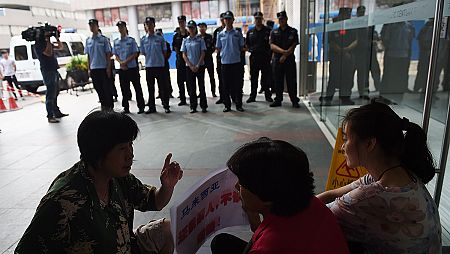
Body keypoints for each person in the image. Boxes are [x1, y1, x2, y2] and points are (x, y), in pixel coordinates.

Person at [15, 110, 183, 253]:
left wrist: (167, 187)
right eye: (122, 148)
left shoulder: (119, 177)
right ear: (97, 152)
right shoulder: (61, 201)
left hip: (127, 246)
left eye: (130, 145)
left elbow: (154, 201)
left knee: (169, 230)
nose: (130, 155)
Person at [317, 100, 442, 253]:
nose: (343, 146)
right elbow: (332, 194)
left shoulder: (370, 198)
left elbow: (315, 217)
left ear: (369, 144)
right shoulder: (402, 174)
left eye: (346, 139)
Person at [210, 137, 349, 254]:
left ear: (266, 196)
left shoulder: (269, 247)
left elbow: (273, 243)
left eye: (242, 184)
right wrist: (254, 221)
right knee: (221, 242)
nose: (236, 187)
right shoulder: (311, 202)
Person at [320, 8, 356, 106]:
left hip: (348, 56)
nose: (346, 17)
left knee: (347, 78)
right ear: (340, 15)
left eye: (348, 15)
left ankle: (345, 98)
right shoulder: (333, 27)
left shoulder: (352, 26)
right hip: (336, 56)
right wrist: (342, 51)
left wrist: (347, 50)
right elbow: (330, 41)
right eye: (344, 15)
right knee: (333, 78)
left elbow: (356, 40)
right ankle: (328, 98)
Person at [34, 26, 68, 123]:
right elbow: (48, 53)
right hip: (47, 70)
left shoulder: (46, 43)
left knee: (56, 91)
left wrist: (57, 38)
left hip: (53, 69)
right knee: (50, 93)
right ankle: (50, 115)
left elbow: (61, 47)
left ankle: (56, 112)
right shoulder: (39, 44)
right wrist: (48, 39)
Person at [113, 21, 145, 114]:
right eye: (119, 27)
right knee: (124, 89)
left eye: (122, 27)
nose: (120, 29)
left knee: (137, 88)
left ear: (125, 28)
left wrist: (125, 62)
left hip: (132, 68)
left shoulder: (131, 40)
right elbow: (115, 55)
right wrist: (121, 63)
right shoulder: (116, 41)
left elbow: (135, 53)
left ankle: (141, 106)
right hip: (122, 69)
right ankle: (126, 107)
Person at [380, 17, 415, 104]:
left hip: (404, 55)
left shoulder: (409, 26)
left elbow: (410, 40)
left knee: (401, 77)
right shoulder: (390, 25)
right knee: (389, 77)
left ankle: (398, 98)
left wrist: (409, 54)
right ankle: (386, 97)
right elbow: (385, 40)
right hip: (392, 55)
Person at [269, 11, 300, 108]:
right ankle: (278, 100)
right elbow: (272, 46)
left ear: (286, 19)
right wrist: (283, 52)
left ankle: (294, 100)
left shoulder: (293, 31)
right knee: (278, 81)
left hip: (289, 59)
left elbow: (294, 45)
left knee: (291, 81)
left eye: (283, 19)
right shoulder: (274, 32)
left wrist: (285, 55)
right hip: (278, 60)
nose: (281, 21)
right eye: (280, 19)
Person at [216, 11, 245, 112]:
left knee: (237, 85)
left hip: (236, 63)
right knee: (225, 86)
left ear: (233, 20)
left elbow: (242, 47)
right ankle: (227, 105)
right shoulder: (220, 34)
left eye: (229, 19)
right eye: (226, 19)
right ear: (224, 20)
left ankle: (239, 104)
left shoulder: (237, 33)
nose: (228, 21)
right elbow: (218, 48)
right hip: (225, 63)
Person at [140, 17, 171, 114]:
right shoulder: (143, 39)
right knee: (150, 88)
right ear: (145, 26)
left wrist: (159, 59)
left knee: (163, 87)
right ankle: (152, 107)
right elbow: (143, 52)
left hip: (160, 66)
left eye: (150, 24)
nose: (149, 26)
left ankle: (166, 105)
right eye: (147, 24)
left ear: (154, 25)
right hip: (149, 66)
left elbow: (165, 52)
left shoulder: (160, 38)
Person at [85, 19, 114, 111]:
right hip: (94, 68)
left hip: (103, 68)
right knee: (98, 88)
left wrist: (108, 68)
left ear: (97, 27)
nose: (92, 27)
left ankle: (110, 106)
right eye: (90, 25)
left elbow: (108, 54)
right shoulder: (88, 40)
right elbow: (88, 55)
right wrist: (89, 68)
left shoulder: (103, 39)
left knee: (106, 88)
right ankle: (103, 105)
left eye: (93, 25)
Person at [245, 12, 273, 103]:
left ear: (262, 19)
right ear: (254, 19)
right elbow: (247, 44)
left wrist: (271, 56)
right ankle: (252, 96)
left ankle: (268, 96)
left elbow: (272, 43)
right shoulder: (250, 32)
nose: (258, 20)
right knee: (254, 78)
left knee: (266, 78)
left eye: (259, 18)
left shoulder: (268, 31)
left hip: (265, 57)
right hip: (254, 58)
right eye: (256, 18)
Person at [181, 20, 208, 113]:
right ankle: (193, 106)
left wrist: (197, 65)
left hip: (200, 66)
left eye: (193, 27)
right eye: (190, 28)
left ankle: (204, 106)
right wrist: (191, 65)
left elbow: (203, 52)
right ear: (188, 29)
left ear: (195, 28)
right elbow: (184, 54)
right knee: (191, 88)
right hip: (189, 67)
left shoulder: (200, 40)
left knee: (201, 86)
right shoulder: (185, 40)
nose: (191, 29)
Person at [173, 15, 189, 106]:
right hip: (180, 61)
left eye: (182, 22)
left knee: (189, 81)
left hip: (188, 61)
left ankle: (191, 97)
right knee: (180, 81)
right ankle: (182, 99)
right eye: (180, 22)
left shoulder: (188, 34)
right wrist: (180, 55)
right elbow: (175, 47)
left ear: (185, 23)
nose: (181, 24)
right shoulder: (176, 36)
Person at [198, 22, 217, 97]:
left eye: (203, 27)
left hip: (209, 59)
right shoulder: (197, 37)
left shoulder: (209, 37)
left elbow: (213, 47)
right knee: (201, 78)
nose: (201, 28)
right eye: (200, 27)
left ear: (206, 28)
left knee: (211, 76)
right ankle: (201, 92)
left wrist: (208, 52)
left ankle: (213, 92)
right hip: (200, 60)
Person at [156, 29, 174, 99]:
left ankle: (169, 92)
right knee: (159, 80)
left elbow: (169, 53)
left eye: (159, 34)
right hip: (157, 64)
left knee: (166, 78)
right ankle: (160, 93)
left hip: (164, 63)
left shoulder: (166, 43)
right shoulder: (155, 43)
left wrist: (164, 59)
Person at [213, 13, 226, 104]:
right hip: (220, 58)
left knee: (231, 79)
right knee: (221, 79)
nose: (223, 21)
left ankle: (232, 96)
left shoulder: (234, 31)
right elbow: (215, 46)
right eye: (222, 19)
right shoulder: (217, 31)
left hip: (230, 59)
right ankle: (222, 97)